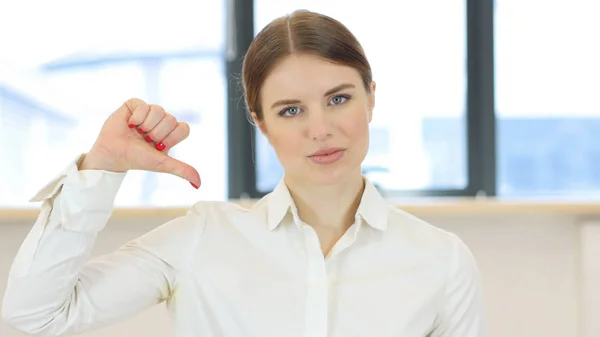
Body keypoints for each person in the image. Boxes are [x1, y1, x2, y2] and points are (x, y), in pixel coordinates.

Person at [1, 9, 485, 337]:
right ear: (260, 122)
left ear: (371, 98)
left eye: (339, 98)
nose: (321, 129)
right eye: (291, 110)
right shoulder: (202, 239)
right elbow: (32, 316)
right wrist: (100, 168)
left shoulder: (441, 261)